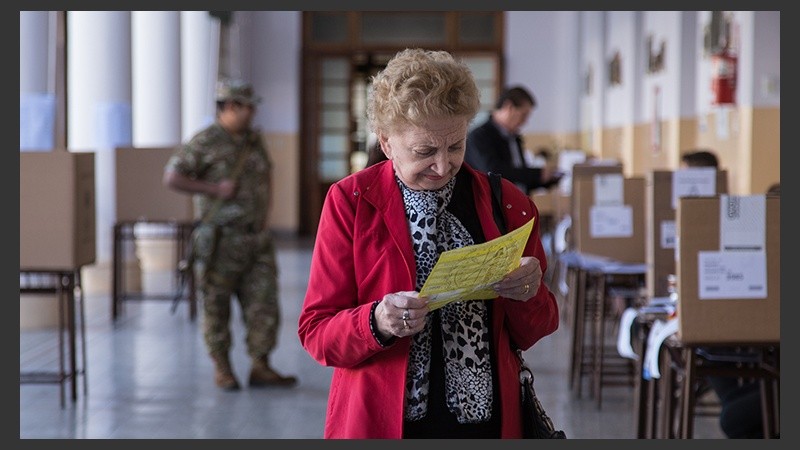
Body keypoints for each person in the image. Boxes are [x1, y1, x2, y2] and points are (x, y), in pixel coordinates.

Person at [297, 48, 559, 439]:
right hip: (383, 419)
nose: (442, 165)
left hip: (486, 422)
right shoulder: (351, 203)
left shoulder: (508, 205)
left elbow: (539, 326)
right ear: (386, 143)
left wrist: (529, 292)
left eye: (455, 146)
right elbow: (318, 332)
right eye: (424, 151)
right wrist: (376, 322)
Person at [163, 79, 297, 391]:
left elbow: (266, 177)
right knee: (216, 306)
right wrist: (213, 189)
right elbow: (172, 177)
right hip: (221, 240)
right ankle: (222, 368)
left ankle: (261, 365)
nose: (253, 112)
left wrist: (265, 218)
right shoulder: (205, 141)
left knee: (263, 303)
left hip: (256, 239)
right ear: (231, 106)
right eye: (248, 106)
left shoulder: (253, 140)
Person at [465, 86, 562, 194]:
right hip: (491, 205)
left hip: (517, 204)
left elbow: (519, 178)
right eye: (523, 115)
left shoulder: (514, 138)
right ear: (509, 106)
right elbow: (493, 171)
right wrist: (537, 174)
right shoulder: (479, 136)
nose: (525, 122)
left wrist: (546, 180)